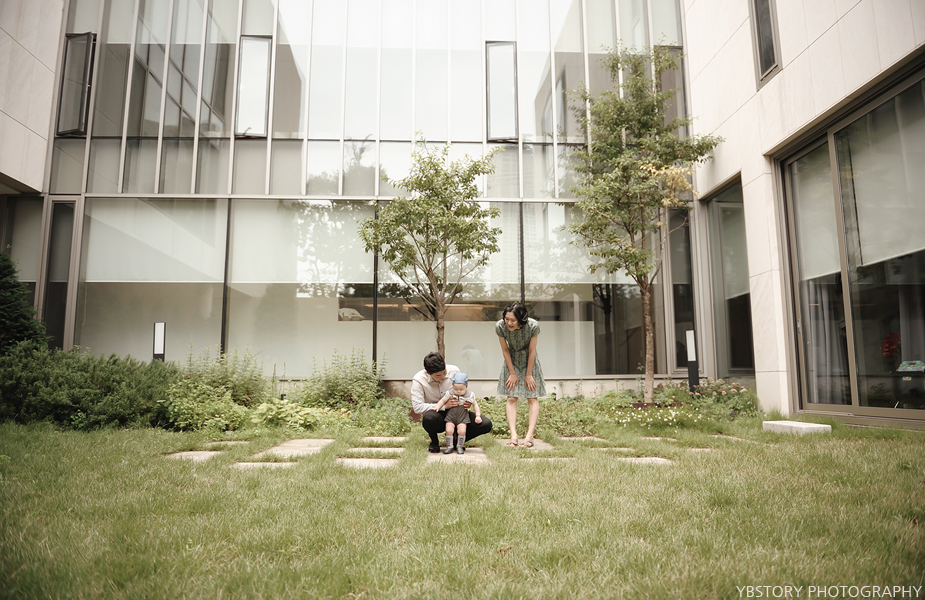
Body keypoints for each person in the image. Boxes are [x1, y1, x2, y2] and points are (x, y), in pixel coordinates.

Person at [411, 352, 493, 453]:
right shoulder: (418, 379)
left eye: (444, 372)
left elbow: (464, 390)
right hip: (437, 415)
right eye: (438, 375)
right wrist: (444, 406)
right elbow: (417, 407)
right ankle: (434, 442)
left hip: (458, 413)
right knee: (429, 418)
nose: (443, 377)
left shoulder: (454, 371)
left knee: (486, 424)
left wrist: (467, 402)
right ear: (428, 373)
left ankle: (456, 441)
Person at [496, 302, 546, 447]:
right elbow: (505, 350)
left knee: (532, 397)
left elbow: (532, 350)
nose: (509, 323)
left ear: (521, 319)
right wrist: (512, 373)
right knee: (511, 397)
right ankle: (513, 436)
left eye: (513, 320)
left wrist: (529, 374)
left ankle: (529, 437)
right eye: (507, 319)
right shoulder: (500, 326)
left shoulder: (533, 326)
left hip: (530, 360)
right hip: (511, 360)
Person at [433, 373, 481, 454]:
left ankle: (460, 446)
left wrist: (478, 416)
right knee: (448, 430)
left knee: (462, 431)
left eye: (461, 389)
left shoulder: (469, 395)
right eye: (456, 389)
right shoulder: (450, 393)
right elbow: (443, 400)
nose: (458, 391)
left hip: (462, 417)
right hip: (451, 417)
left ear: (466, 387)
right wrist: (437, 407)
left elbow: (475, 405)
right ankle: (449, 446)